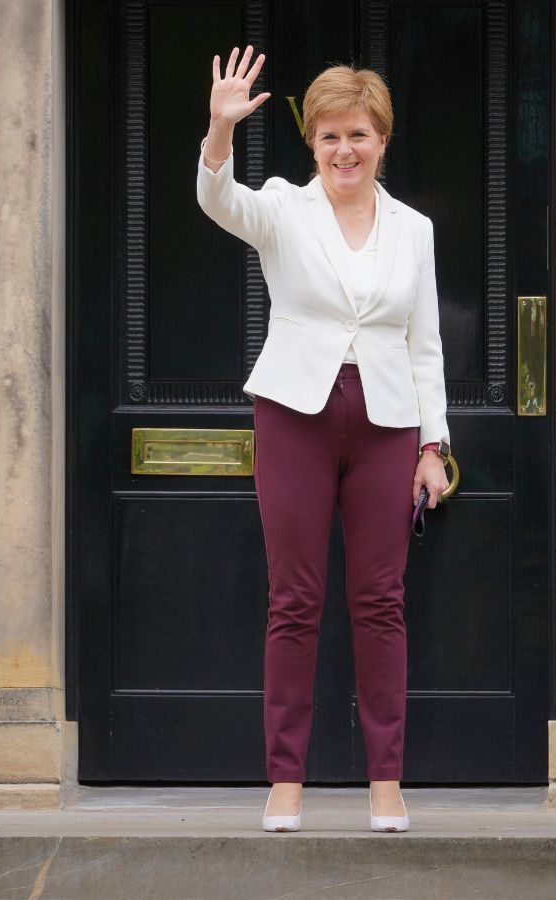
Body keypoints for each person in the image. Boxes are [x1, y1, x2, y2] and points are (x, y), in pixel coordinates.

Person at [197, 48, 450, 833]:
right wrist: (219, 128)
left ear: (383, 141)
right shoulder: (282, 207)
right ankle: (285, 781)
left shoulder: (414, 229)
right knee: (294, 599)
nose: (346, 150)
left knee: (380, 602)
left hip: (386, 421)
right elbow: (216, 199)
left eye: (360, 135)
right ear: (312, 143)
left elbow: (426, 341)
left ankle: (385, 781)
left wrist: (433, 445)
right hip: (295, 414)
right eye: (331, 136)